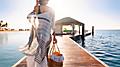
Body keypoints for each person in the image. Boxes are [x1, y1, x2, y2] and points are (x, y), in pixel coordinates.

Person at [26, 0, 57, 67]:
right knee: (43, 54)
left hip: (36, 36)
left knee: (36, 54)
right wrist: (54, 37)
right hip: (46, 36)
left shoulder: (37, 8)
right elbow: (53, 25)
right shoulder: (51, 10)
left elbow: (29, 17)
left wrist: (36, 8)